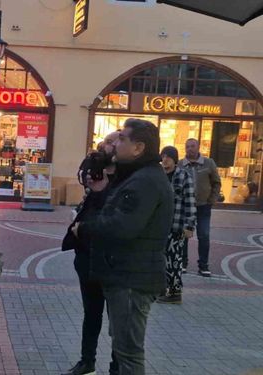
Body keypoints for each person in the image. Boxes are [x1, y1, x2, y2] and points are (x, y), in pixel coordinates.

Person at [73, 119, 173, 375]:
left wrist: (84, 227)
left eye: (121, 139)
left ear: (138, 147)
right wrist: (100, 189)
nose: (115, 144)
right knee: (124, 347)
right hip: (126, 275)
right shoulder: (137, 177)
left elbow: (122, 226)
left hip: (132, 278)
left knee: (128, 354)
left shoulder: (145, 181)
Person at [62, 131, 119, 375]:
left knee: (117, 321)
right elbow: (89, 194)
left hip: (114, 261)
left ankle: (117, 366)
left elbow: (114, 217)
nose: (105, 145)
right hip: (87, 258)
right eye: (105, 141)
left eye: (112, 141)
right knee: (91, 313)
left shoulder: (129, 178)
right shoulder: (98, 170)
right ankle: (87, 361)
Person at [158, 146, 196, 304]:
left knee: (174, 260)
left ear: (175, 159)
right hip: (159, 226)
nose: (165, 160)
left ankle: (175, 293)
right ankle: (162, 289)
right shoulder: (159, 175)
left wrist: (190, 226)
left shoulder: (183, 176)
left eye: (169, 157)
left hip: (176, 226)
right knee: (160, 259)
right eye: (163, 157)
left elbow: (190, 201)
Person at [179, 138, 221, 277]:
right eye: (187, 146)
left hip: (203, 207)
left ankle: (203, 266)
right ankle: (182, 263)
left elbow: (216, 182)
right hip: (186, 207)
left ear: (198, 147)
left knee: (204, 235)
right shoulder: (180, 164)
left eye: (192, 146)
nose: (189, 149)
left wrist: (212, 200)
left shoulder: (208, 163)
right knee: (184, 235)